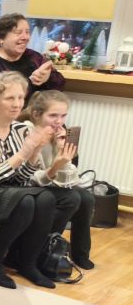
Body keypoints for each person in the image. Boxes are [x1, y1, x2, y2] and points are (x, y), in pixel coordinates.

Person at [0, 72, 80, 288]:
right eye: (10, 98)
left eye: (20, 98)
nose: (17, 104)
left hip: (12, 191)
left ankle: (28, 263)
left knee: (47, 197)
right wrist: (22, 155)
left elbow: (22, 179)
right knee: (26, 201)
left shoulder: (20, 129)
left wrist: (35, 153)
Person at [24, 90, 94, 269]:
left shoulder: (57, 134)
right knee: (72, 198)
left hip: (50, 181)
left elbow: (69, 181)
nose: (59, 121)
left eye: (63, 116)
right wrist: (56, 165)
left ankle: (79, 253)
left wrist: (63, 154)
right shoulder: (27, 132)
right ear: (37, 114)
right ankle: (45, 249)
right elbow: (32, 178)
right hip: (31, 184)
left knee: (86, 197)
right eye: (53, 115)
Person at [0, 13, 65, 120]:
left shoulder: (34, 57)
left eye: (27, 32)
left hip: (33, 119)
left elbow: (60, 85)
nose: (25, 37)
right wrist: (30, 83)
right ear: (0, 38)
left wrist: (48, 78)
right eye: (18, 33)